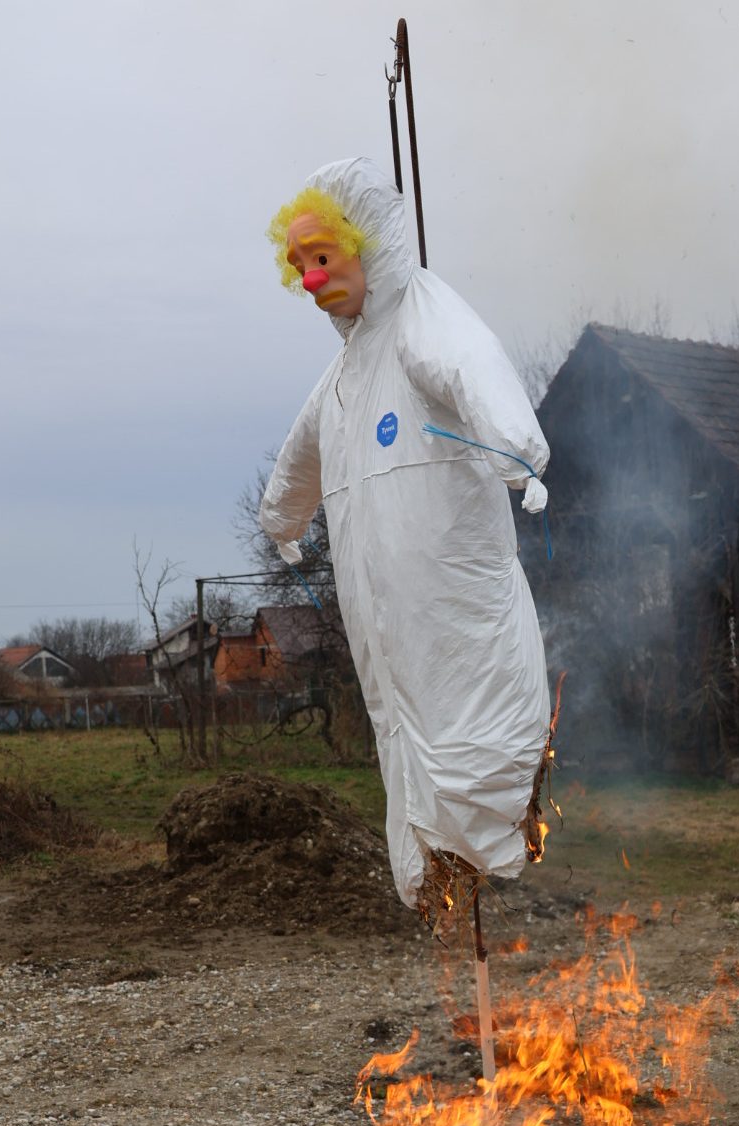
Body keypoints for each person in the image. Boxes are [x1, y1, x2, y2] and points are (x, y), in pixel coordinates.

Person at [260, 157, 552, 917]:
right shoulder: (347, 371)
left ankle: (483, 832)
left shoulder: (423, 321)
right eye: (302, 266)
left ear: (367, 246)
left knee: (468, 709)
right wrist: (282, 520)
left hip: (448, 592)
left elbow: (471, 368)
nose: (313, 280)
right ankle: (436, 860)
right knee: (405, 730)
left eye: (322, 257)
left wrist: (518, 453)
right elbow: (303, 449)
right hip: (379, 618)